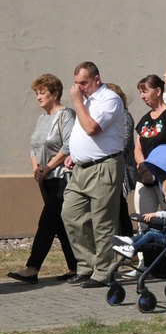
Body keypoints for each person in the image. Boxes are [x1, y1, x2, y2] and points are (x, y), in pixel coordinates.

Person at [7, 74, 78, 284]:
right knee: (60, 224)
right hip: (45, 178)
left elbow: (68, 146)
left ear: (55, 93)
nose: (38, 97)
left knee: (47, 221)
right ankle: (76, 266)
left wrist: (47, 167)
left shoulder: (66, 115)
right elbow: (34, 147)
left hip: (61, 177)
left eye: (43, 93)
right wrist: (36, 169)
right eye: (37, 93)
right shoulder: (41, 119)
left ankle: (32, 267)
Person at [61, 62, 125, 288]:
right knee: (70, 214)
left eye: (84, 83)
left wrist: (78, 102)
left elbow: (92, 128)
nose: (79, 88)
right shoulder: (86, 101)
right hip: (81, 169)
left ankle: (104, 271)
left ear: (97, 79)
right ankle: (87, 265)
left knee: (103, 222)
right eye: (76, 84)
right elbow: (82, 135)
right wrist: (74, 155)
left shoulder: (109, 99)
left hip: (104, 167)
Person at [132, 75, 166, 277]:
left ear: (158, 91)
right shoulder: (145, 120)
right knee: (144, 221)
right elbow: (137, 148)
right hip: (144, 179)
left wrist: (155, 169)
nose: (142, 96)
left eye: (145, 91)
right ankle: (144, 264)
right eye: (140, 93)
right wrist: (143, 168)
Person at [112, 178, 166, 258]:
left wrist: (156, 214)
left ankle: (132, 249)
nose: (165, 198)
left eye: (165, 196)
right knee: (150, 230)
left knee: (151, 234)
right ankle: (131, 240)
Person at [107, 83, 137, 238]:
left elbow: (124, 143)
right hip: (110, 166)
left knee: (119, 207)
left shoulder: (124, 115)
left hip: (122, 168)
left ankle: (126, 241)